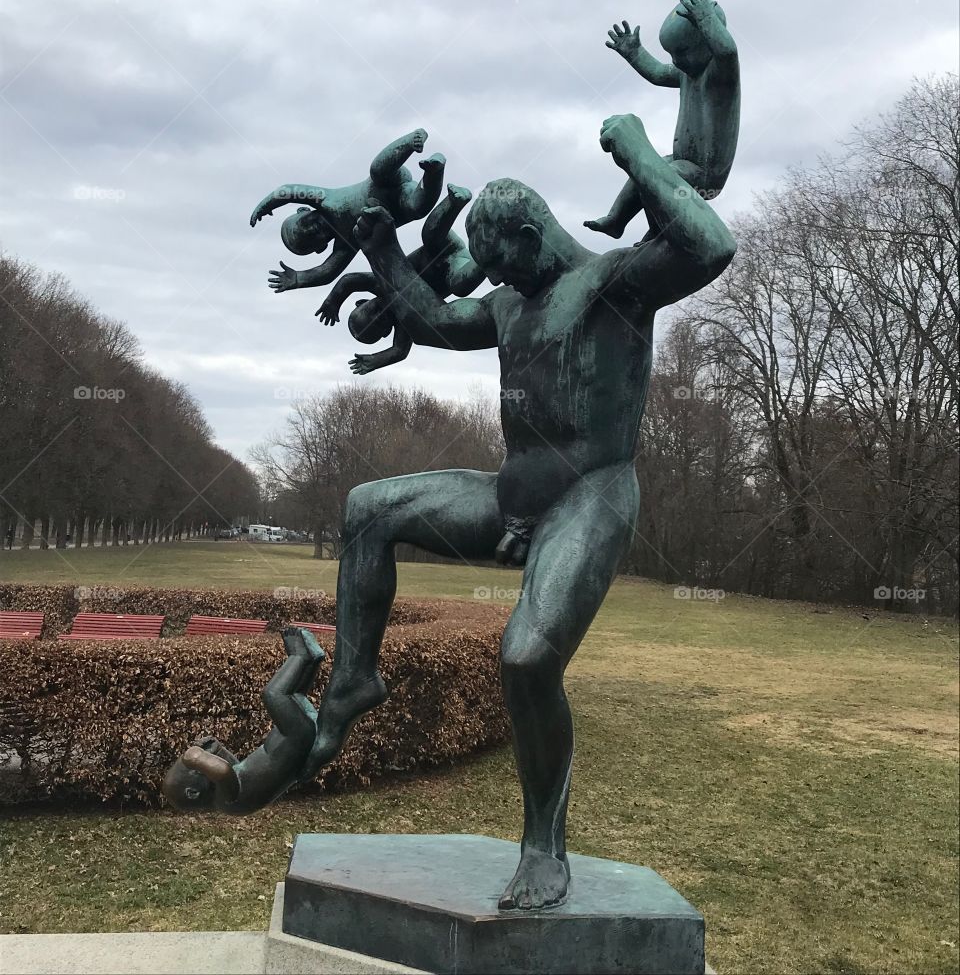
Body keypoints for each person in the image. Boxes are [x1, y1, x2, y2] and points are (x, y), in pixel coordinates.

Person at [298, 114, 736, 910]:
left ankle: (543, 843)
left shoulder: (617, 282)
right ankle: (355, 680)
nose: (497, 281)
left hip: (591, 495)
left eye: (503, 263)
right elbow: (431, 320)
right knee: (368, 508)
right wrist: (381, 249)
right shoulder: (508, 306)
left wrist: (637, 151)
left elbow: (712, 246)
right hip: (512, 496)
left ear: (534, 235)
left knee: (528, 659)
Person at [585, 0, 740, 240]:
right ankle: (617, 219)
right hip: (682, 161)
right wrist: (635, 53)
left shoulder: (720, 76)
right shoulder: (687, 74)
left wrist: (707, 20)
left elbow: (728, 52)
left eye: (682, 53)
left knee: (658, 177)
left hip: (706, 173)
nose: (676, 61)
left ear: (707, 44)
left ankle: (660, 230)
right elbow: (657, 73)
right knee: (645, 167)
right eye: (672, 55)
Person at [314, 183, 484, 374]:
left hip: (441, 248)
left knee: (430, 234)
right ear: (387, 331)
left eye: (374, 309)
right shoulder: (405, 321)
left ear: (363, 301)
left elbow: (349, 281)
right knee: (460, 285)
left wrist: (333, 301)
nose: (381, 313)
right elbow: (400, 351)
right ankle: (487, 254)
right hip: (455, 267)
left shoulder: (379, 283)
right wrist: (376, 360)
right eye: (380, 322)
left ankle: (454, 201)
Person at [249, 129, 446, 293]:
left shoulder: (325, 199)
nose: (312, 229)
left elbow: (290, 190)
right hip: (401, 204)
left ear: (304, 210)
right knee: (417, 208)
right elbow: (327, 272)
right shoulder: (346, 243)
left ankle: (412, 140)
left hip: (386, 181)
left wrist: (267, 204)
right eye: (311, 238)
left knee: (377, 170)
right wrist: (299, 278)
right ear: (321, 247)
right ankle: (434, 171)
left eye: (305, 224)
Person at [162, 627, 325, 815]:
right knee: (273, 695)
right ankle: (300, 656)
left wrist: (216, 749)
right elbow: (223, 771)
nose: (202, 764)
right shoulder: (225, 800)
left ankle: (313, 660)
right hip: (295, 738)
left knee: (294, 695)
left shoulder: (230, 793)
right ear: (192, 792)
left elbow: (232, 766)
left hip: (291, 740)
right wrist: (193, 757)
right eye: (196, 770)